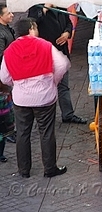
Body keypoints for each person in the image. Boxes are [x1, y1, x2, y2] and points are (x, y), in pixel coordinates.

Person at [0, 18, 70, 178]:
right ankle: (50, 168)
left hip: (21, 99)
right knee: (46, 132)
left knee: (23, 134)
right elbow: (62, 64)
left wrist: (17, 83)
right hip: (44, 97)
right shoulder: (45, 45)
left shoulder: (10, 50)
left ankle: (24, 170)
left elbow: (4, 77)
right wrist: (53, 80)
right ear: (31, 29)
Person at [27, 3, 87, 124]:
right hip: (45, 55)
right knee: (45, 87)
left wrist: (66, 33)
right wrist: (44, 9)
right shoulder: (35, 8)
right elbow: (33, 23)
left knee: (63, 86)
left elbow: (69, 23)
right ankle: (45, 117)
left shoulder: (60, 6)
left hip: (61, 53)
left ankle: (68, 114)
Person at [0, 4, 15, 158]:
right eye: (8, 13)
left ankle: (9, 131)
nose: (12, 15)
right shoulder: (1, 33)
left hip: (7, 73)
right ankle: (7, 132)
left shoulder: (8, 29)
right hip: (2, 76)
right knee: (5, 108)